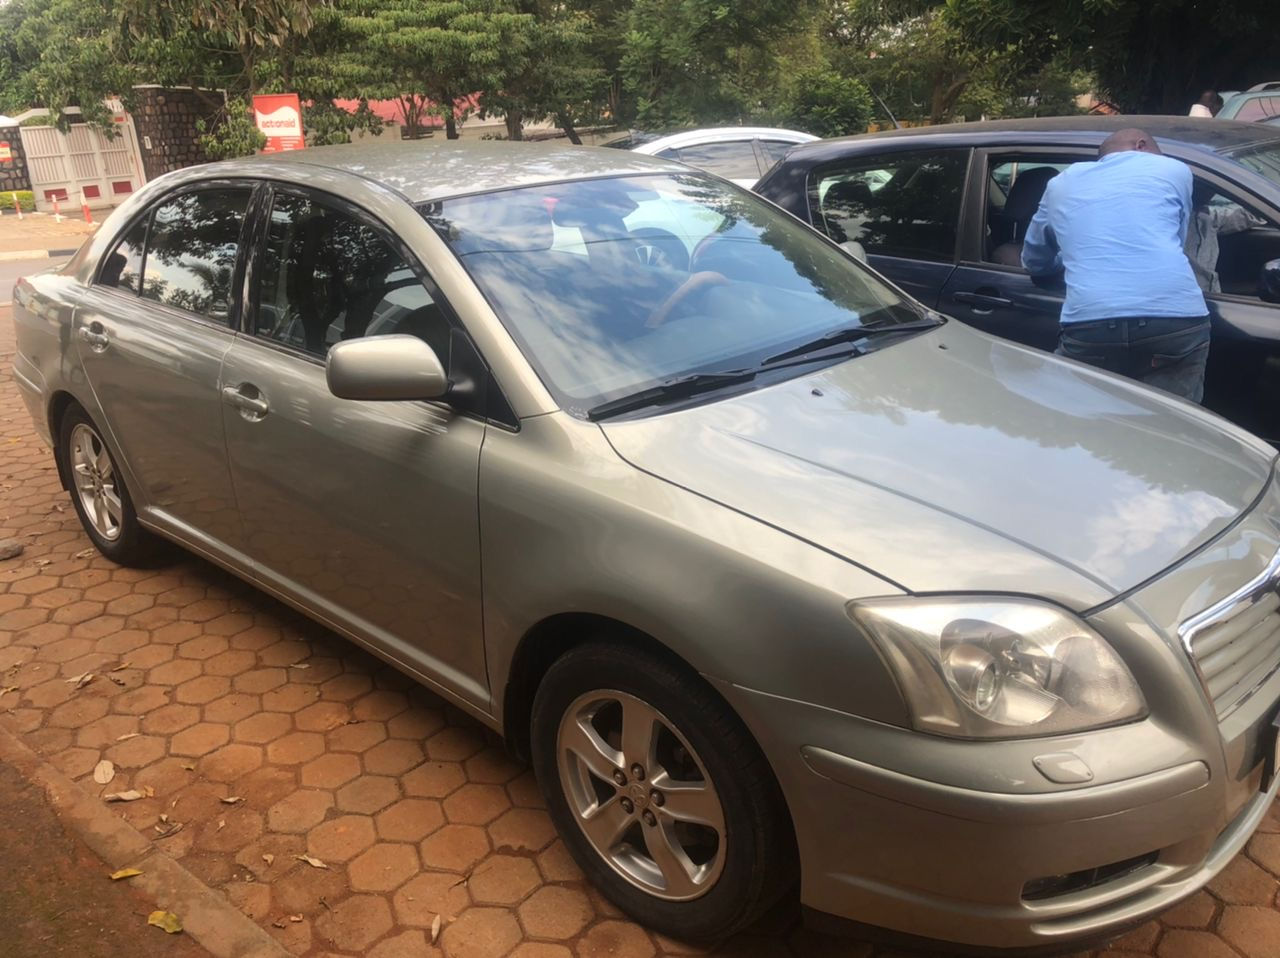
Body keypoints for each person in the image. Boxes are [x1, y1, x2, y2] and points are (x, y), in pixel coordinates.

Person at [1022, 128, 1211, 402]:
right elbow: (1174, 237)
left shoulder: (1061, 183)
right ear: (1142, 145)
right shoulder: (1174, 169)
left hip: (1091, 320)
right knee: (1171, 421)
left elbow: (1035, 259)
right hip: (1176, 318)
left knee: (1074, 415)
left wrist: (1065, 262)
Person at [1185, 180, 1265, 293]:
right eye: (1200, 185)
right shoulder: (1168, 224)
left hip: (1211, 295)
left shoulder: (1208, 218)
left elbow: (1247, 216)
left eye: (1211, 188)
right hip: (1186, 298)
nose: (1208, 192)